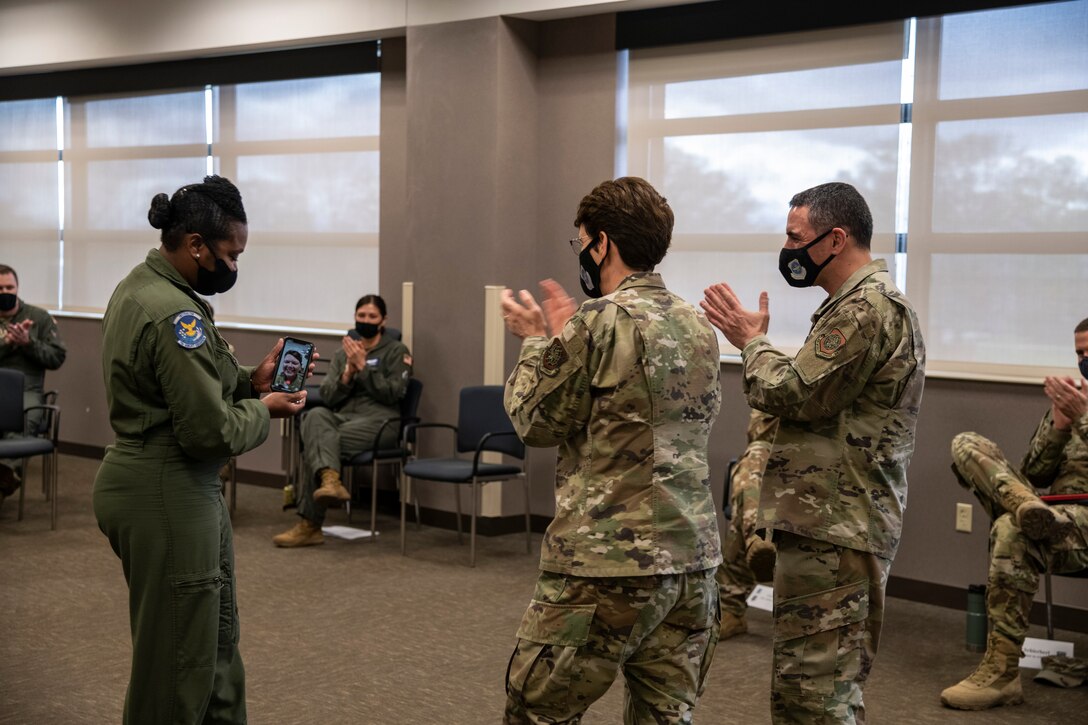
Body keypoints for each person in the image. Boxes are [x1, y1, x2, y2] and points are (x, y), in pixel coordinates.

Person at [701, 181, 925, 724]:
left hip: (839, 528)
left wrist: (750, 343)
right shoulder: (852, 306)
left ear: (836, 239)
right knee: (813, 689)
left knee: (816, 697)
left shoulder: (865, 309)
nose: (787, 249)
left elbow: (794, 393)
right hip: (829, 524)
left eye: (795, 237)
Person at [501, 177, 723, 723]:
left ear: (603, 243)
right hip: (691, 566)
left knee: (537, 710)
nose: (581, 253)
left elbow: (534, 420)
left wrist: (537, 341)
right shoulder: (697, 323)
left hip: (606, 565)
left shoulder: (598, 320)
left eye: (581, 243)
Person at [92, 175, 308, 724]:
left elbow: (183, 383)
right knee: (177, 666)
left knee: (214, 645)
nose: (233, 267)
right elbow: (208, 432)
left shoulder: (145, 286)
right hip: (165, 487)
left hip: (178, 486)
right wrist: (265, 409)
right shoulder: (174, 314)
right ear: (195, 244)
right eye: (231, 255)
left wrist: (249, 382)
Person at [940, 318, 1088, 710]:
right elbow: (1034, 472)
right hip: (1055, 515)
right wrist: (1059, 426)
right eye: (1079, 353)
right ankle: (1026, 507)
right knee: (966, 443)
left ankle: (1001, 674)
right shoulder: (1074, 400)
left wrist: (1083, 418)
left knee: (1010, 530)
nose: (1084, 360)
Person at [273, 294, 413, 547]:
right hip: (344, 417)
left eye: (372, 316)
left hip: (381, 422)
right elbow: (327, 396)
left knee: (318, 444)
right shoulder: (343, 353)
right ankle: (330, 481)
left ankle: (310, 525)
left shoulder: (397, 351)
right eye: (361, 315)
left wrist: (364, 368)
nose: (366, 320)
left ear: (383, 320)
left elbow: (394, 394)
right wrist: (347, 374)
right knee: (314, 415)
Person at [0, 264, 67, 503]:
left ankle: (4, 475)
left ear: (17, 288)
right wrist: (7, 343)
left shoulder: (38, 318)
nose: (5, 292)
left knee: (21, 424)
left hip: (26, 391)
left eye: (9, 287)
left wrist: (29, 343)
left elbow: (57, 357)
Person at [716, 409, 779, 640]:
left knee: (754, 458)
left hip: (822, 461)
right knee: (753, 463)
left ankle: (730, 607)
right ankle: (757, 539)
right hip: (773, 464)